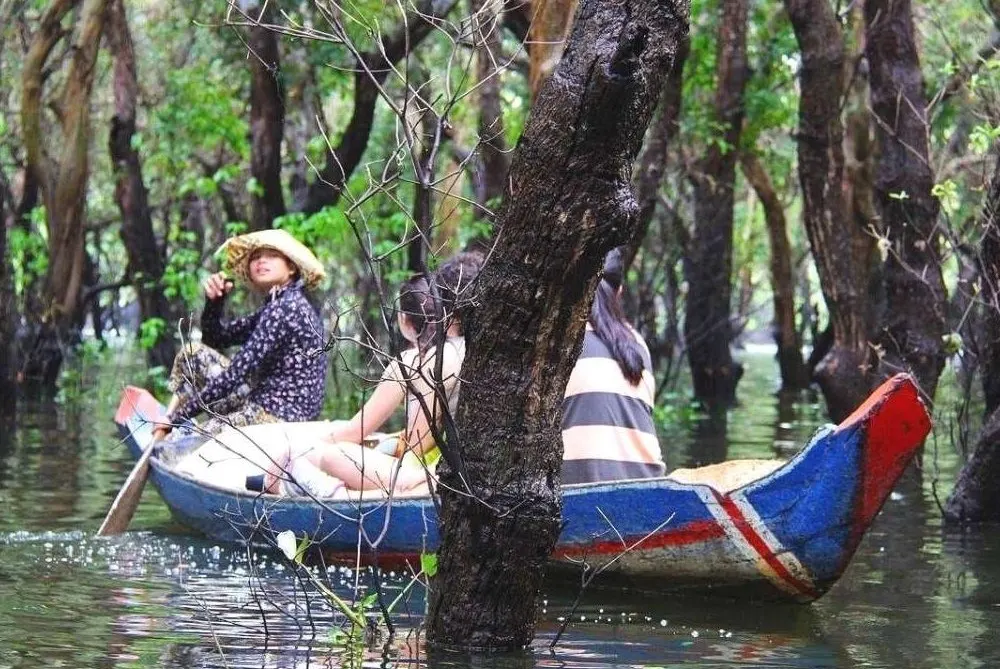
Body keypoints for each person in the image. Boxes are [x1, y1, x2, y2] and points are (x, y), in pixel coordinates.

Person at [154, 229, 328, 441]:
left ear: (291, 267)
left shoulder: (286, 307)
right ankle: (170, 416)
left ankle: (170, 422)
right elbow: (216, 339)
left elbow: (235, 375)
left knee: (188, 442)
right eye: (255, 256)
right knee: (193, 353)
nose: (261, 261)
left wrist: (179, 418)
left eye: (271, 255)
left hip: (280, 419)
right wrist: (214, 302)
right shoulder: (276, 305)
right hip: (263, 405)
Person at [561, 248, 665, 484]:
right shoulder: (637, 344)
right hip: (649, 487)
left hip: (580, 490)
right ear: (619, 292)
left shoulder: (560, 342)